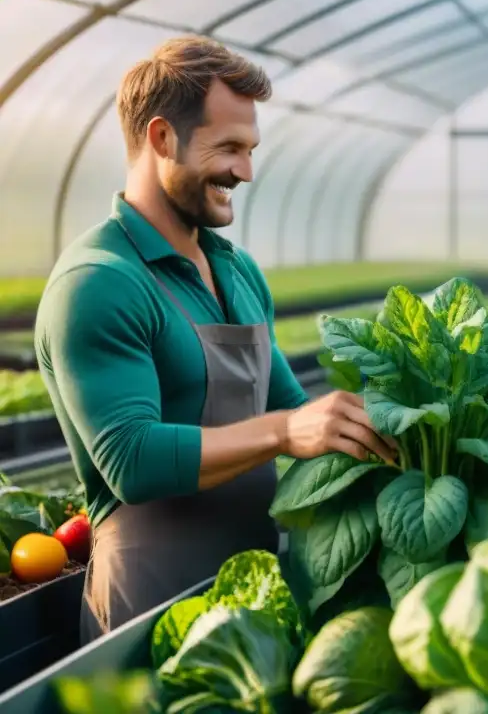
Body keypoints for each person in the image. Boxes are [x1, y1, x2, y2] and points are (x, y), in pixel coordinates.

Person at [34, 36, 396, 643]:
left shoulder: (236, 270)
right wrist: (285, 433)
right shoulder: (97, 282)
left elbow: (287, 406)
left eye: (251, 150)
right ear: (161, 138)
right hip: (146, 606)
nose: (246, 172)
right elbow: (132, 460)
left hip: (252, 593)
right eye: (228, 148)